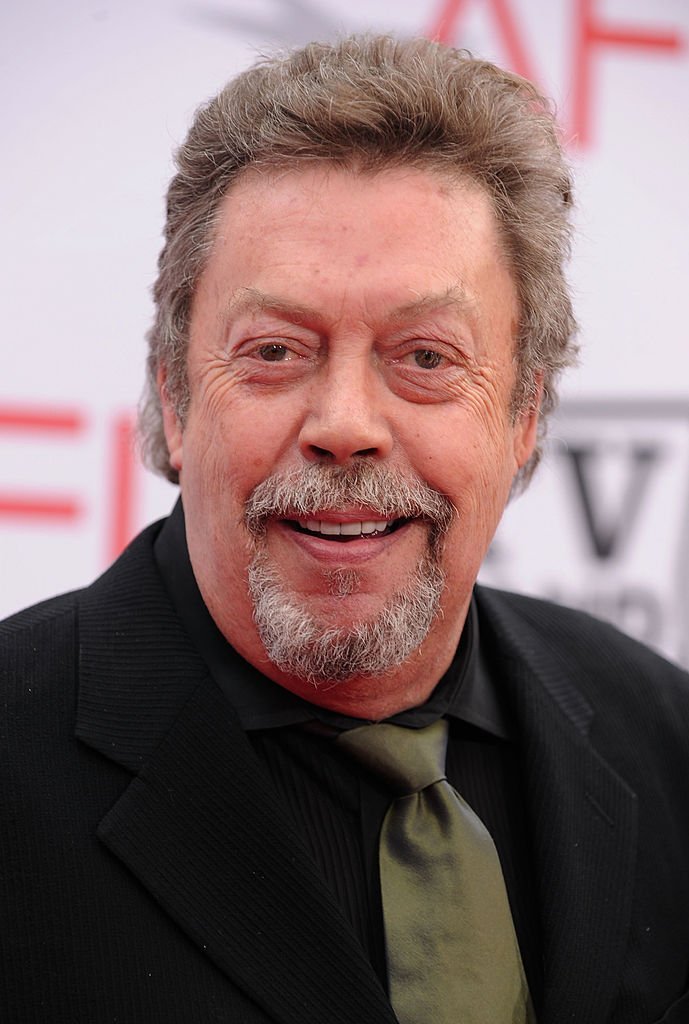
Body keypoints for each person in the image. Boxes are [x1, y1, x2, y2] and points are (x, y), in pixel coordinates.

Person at [2, 34, 688, 1024]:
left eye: (423, 356)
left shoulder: (662, 743)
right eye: (276, 350)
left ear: (524, 413)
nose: (344, 426)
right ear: (177, 397)